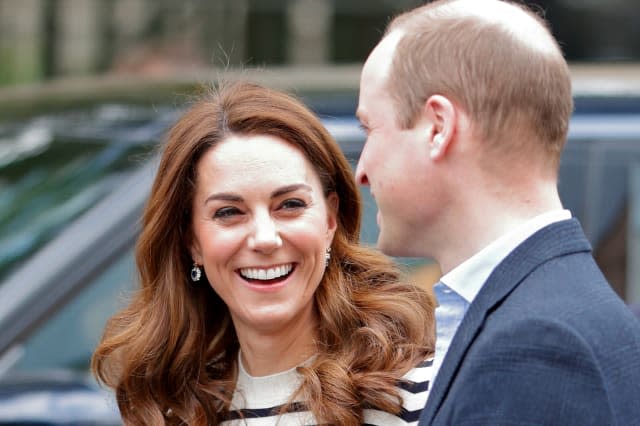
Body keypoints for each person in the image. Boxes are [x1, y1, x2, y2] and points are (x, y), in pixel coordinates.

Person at [355, 0, 640, 425]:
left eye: (370, 130)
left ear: (438, 128)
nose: (360, 170)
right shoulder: (553, 310)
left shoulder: (538, 344)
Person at [91, 81, 435, 425]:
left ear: (329, 220)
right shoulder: (173, 408)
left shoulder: (413, 396)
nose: (265, 239)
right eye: (229, 212)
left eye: (289, 205)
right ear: (191, 240)